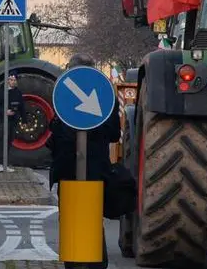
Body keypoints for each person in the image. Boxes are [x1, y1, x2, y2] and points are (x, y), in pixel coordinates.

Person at [46, 53, 122, 269]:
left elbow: (56, 133)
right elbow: (114, 134)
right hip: (95, 168)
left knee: (71, 217)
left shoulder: (63, 94)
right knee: (93, 218)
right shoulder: (106, 94)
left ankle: (76, 263)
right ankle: (95, 263)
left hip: (68, 168)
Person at [0, 72, 26, 172]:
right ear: (7, 81)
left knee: (9, 141)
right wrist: (5, 112)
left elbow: (22, 107)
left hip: (13, 121)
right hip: (2, 120)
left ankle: (6, 163)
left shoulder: (18, 92)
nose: (12, 82)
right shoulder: (1, 91)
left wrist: (24, 120)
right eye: (11, 80)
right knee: (1, 140)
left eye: (14, 80)